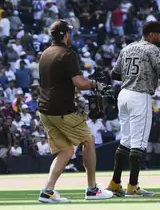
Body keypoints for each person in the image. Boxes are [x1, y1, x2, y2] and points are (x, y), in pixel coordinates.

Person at [37, 20, 113, 203]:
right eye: (69, 33)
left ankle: (47, 191)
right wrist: (96, 84)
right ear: (65, 35)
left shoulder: (45, 54)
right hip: (61, 110)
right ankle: (92, 189)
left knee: (65, 151)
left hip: (45, 111)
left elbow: (61, 82)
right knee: (89, 140)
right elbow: (80, 83)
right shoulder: (68, 54)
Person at [107, 21, 160, 197]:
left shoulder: (128, 48)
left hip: (123, 95)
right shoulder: (152, 49)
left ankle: (115, 183)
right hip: (140, 95)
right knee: (138, 143)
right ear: (151, 34)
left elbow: (114, 74)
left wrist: (132, 75)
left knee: (126, 141)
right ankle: (133, 186)